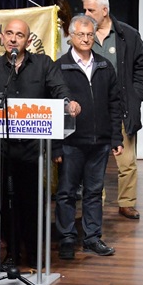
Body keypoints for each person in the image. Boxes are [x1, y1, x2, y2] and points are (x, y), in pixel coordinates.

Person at [0, 19, 80, 268]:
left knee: (32, 203)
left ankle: (34, 253)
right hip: (2, 150)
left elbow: (59, 89)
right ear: (2, 37)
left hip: (34, 150)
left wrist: (69, 103)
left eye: (19, 35)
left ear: (28, 40)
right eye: (9, 33)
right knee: (7, 204)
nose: (13, 39)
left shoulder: (43, 65)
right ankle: (12, 254)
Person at [53, 15, 123, 259]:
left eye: (89, 35)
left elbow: (115, 104)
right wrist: (56, 147)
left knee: (94, 192)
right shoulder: (59, 67)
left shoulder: (104, 65)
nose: (85, 39)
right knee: (66, 193)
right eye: (80, 34)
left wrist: (116, 138)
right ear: (71, 37)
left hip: (100, 142)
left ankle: (92, 238)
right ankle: (67, 238)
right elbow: (53, 110)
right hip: (70, 143)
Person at [82, 0, 143, 220]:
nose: (86, 14)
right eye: (84, 9)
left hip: (122, 107)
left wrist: (136, 95)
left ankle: (126, 203)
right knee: (94, 160)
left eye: (91, 10)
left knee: (127, 160)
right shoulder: (83, 35)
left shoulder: (128, 35)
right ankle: (96, 201)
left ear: (105, 10)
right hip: (92, 108)